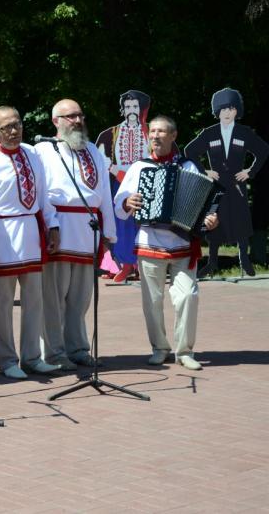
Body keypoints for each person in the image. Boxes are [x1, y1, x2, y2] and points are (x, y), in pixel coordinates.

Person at [113, 115, 220, 370]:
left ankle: (184, 351)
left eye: (161, 132)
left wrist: (210, 219)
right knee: (152, 300)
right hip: (150, 242)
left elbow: (204, 203)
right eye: (152, 132)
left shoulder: (189, 167)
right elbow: (119, 206)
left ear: (173, 136)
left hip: (183, 244)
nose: (155, 136)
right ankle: (159, 347)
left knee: (187, 296)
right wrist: (127, 203)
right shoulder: (139, 168)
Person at [0, 106, 62, 378]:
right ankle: (7, 361)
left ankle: (32, 357)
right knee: (2, 302)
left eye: (17, 124)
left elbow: (44, 193)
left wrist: (53, 225)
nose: (13, 131)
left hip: (30, 230)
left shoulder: (33, 153)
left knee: (34, 299)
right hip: (1, 232)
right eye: (6, 127)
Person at [35, 99, 117, 370]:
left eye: (80, 115)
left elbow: (104, 193)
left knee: (80, 298)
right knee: (54, 297)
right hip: (59, 228)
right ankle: (55, 353)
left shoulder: (93, 150)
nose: (78, 120)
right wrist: (50, 226)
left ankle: (79, 348)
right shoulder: (43, 151)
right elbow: (41, 193)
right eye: (70, 116)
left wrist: (108, 233)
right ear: (56, 121)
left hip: (88, 229)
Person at [184, 88, 268, 277]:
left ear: (237, 111)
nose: (227, 113)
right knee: (214, 222)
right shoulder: (209, 133)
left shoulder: (244, 132)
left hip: (237, 185)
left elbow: (263, 150)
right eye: (223, 109)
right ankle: (212, 262)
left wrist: (250, 172)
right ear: (217, 112)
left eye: (231, 109)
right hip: (217, 186)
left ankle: (244, 260)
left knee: (241, 222)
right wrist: (204, 171)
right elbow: (189, 151)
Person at [96, 90, 152, 282]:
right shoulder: (109, 134)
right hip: (119, 186)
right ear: (123, 109)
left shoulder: (151, 132)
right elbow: (99, 160)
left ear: (141, 109)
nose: (131, 110)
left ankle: (144, 265)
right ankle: (124, 264)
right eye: (128, 107)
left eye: (135, 106)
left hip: (148, 185)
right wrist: (115, 171)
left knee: (145, 224)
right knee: (121, 227)